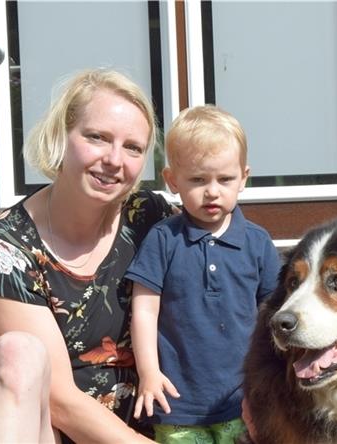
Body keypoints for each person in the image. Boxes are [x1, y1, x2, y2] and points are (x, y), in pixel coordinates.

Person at [0, 68, 175, 443]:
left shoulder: (151, 220)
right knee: (20, 352)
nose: (115, 160)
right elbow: (60, 402)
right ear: (61, 136)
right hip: (26, 424)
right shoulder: (4, 249)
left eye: (133, 147)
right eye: (97, 137)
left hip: (128, 427)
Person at [126, 104, 281, 444]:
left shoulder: (256, 242)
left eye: (225, 179)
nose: (212, 191)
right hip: (178, 401)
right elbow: (145, 310)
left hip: (241, 399)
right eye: (198, 180)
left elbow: (274, 311)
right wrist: (148, 372)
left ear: (244, 177)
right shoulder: (163, 239)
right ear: (172, 181)